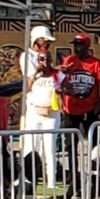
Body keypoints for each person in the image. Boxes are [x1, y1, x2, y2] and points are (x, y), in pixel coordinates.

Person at [19, 27, 61, 190]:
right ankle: (30, 178)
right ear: (36, 40)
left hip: (50, 111)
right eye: (45, 41)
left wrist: (55, 70)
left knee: (49, 147)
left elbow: (51, 75)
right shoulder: (27, 56)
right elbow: (32, 78)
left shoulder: (48, 61)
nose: (47, 44)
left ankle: (50, 180)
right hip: (33, 108)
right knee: (31, 146)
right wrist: (43, 69)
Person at [59, 33, 100, 136]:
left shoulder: (95, 63)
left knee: (93, 138)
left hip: (89, 107)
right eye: (75, 45)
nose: (76, 48)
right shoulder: (69, 60)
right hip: (71, 108)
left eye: (79, 45)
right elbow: (60, 79)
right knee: (71, 140)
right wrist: (63, 72)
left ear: (86, 47)